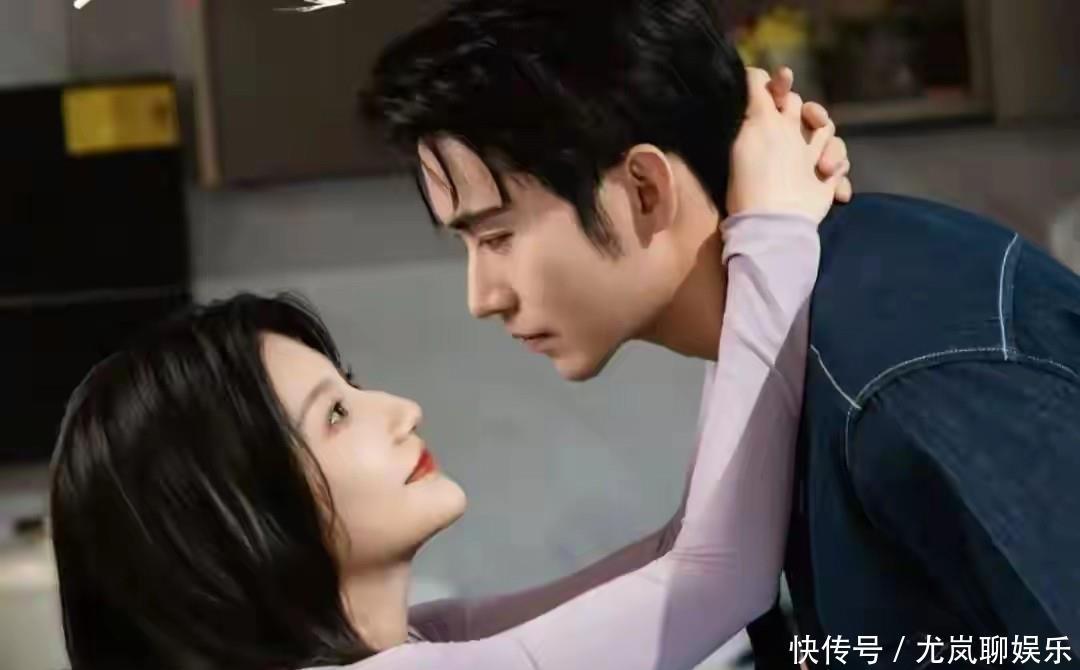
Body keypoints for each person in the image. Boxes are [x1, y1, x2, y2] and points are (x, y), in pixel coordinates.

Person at [49, 72, 844, 669]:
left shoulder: (414, 640)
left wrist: (723, 244)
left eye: (351, 389)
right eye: (335, 414)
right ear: (236, 517)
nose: (399, 409)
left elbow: (685, 548)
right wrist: (765, 227)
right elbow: (716, 578)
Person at [367, 0, 1080, 665]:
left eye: (496, 237)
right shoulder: (791, 330)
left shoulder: (895, 373)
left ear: (645, 190)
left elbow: (706, 569)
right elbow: (695, 558)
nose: (482, 298)